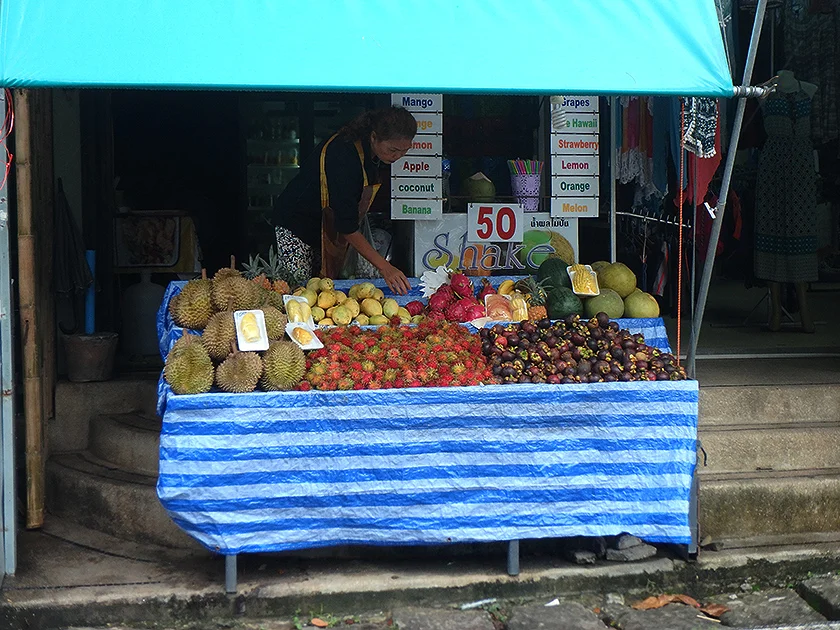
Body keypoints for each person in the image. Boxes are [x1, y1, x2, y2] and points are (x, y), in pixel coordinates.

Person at [272, 106, 416, 295]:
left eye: (404, 151)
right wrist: (385, 267)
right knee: (299, 294)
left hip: (324, 230)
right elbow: (346, 225)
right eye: (392, 150)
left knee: (323, 292)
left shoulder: (371, 154)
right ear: (373, 137)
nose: (397, 157)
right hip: (296, 226)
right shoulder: (344, 155)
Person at [754, 69, 819, 333]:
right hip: (773, 166)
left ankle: (805, 312)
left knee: (801, 234)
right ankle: (776, 314)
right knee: (772, 232)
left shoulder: (809, 89)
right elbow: (758, 88)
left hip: (801, 167)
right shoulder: (765, 90)